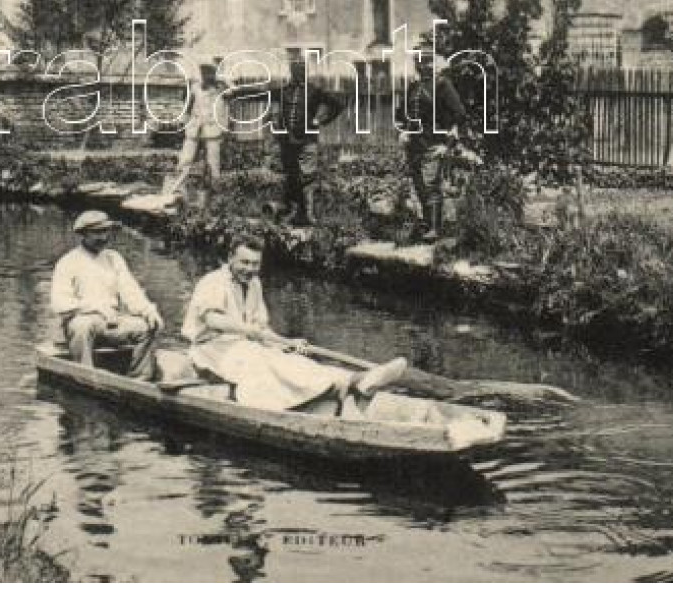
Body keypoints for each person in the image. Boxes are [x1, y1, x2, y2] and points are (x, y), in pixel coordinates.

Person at [181, 240, 407, 413]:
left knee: (289, 359)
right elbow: (212, 320)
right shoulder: (212, 282)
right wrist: (247, 330)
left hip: (243, 347)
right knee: (264, 362)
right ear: (230, 258)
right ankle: (350, 384)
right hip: (211, 351)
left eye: (255, 263)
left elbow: (261, 329)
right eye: (244, 262)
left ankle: (350, 381)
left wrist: (285, 343)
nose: (249, 269)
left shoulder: (254, 284)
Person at [50, 211, 163, 379]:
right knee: (82, 326)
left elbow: (130, 291)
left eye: (106, 231)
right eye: (96, 232)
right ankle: (85, 377)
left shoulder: (113, 258)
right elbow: (60, 303)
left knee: (146, 327)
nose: (103, 237)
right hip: (84, 321)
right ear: (83, 234)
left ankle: (139, 381)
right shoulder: (68, 262)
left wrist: (148, 311)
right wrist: (94, 308)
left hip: (112, 322)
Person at [402, 45, 472, 243]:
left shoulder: (442, 85)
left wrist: (450, 139)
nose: (422, 65)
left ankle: (434, 229)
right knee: (419, 184)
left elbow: (460, 113)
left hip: (435, 141)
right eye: (418, 61)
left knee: (431, 183)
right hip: (415, 143)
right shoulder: (413, 87)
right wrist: (405, 131)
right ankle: (425, 224)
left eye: (426, 61)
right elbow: (405, 114)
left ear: (432, 63)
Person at [270, 50, 345, 226]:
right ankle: (293, 212)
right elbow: (259, 93)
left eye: (301, 70)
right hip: (287, 141)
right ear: (291, 71)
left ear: (305, 72)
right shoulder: (283, 91)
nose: (298, 73)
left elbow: (338, 105)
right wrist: (235, 93)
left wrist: (321, 120)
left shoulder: (314, 91)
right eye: (295, 70)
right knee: (291, 176)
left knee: (307, 176)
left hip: (308, 140)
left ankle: (308, 214)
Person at [165, 63, 232, 198]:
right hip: (194, 128)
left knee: (213, 161)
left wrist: (223, 82)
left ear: (214, 76)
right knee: (185, 159)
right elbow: (188, 106)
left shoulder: (220, 90)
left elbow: (232, 93)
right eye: (204, 75)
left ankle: (215, 192)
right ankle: (177, 189)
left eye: (210, 75)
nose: (206, 78)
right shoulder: (195, 88)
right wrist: (183, 122)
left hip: (212, 129)